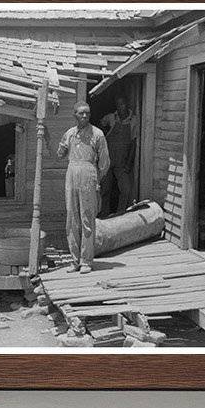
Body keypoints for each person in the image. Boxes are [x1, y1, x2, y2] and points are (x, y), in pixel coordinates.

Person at [57, 102, 110, 274]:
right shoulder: (70, 134)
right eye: (81, 113)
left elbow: (104, 162)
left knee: (87, 218)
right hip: (71, 173)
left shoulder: (98, 134)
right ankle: (74, 261)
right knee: (72, 218)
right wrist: (49, 139)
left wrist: (96, 179)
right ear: (75, 115)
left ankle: (86, 261)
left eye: (87, 113)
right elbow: (59, 154)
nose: (85, 116)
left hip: (89, 173)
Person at [100, 94, 139, 216]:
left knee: (126, 190)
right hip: (107, 160)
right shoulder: (111, 118)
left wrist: (129, 163)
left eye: (122, 104)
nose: (120, 107)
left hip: (121, 162)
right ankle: (103, 214)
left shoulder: (133, 120)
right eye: (118, 105)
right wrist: (106, 132)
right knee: (105, 190)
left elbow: (133, 143)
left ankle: (120, 214)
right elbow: (100, 124)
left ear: (126, 104)